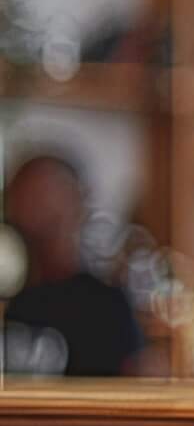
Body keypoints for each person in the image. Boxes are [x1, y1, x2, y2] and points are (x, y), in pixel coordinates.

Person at [2, 151, 142, 377]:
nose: (36, 214)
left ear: (78, 205)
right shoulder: (10, 296)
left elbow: (117, 397)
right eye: (25, 199)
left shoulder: (103, 306)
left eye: (46, 198)